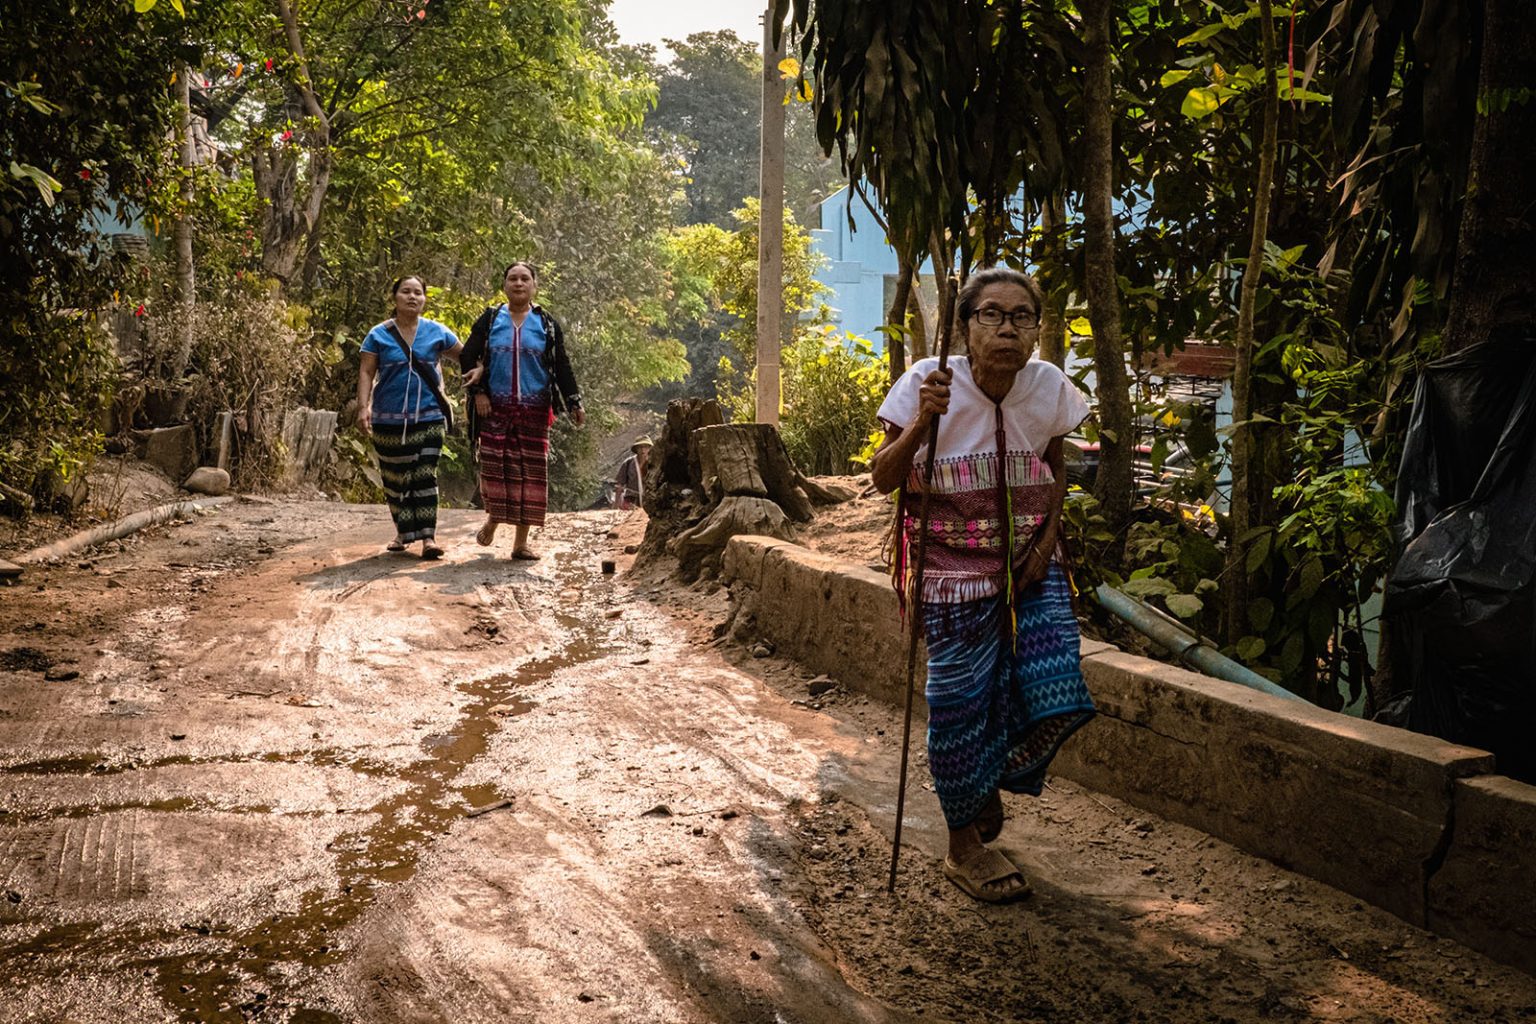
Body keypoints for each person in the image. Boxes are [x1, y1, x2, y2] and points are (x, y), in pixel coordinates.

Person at [870, 265, 1094, 904]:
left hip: (1030, 562)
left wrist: (1044, 547)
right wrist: (924, 421)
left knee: (1047, 682)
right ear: (964, 326)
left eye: (1021, 316)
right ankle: (963, 846)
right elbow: (883, 478)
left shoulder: (1047, 386)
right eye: (990, 314)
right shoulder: (927, 380)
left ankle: (986, 777)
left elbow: (1054, 470)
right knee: (961, 705)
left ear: (1036, 330)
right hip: (951, 567)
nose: (1006, 327)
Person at [459, 261, 584, 559]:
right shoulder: (490, 319)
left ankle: (520, 544)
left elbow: (561, 365)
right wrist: (478, 393)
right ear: (504, 285)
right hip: (494, 409)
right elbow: (467, 355)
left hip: (535, 411)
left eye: (524, 279)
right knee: (494, 472)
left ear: (533, 286)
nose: (518, 283)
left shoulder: (547, 324)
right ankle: (494, 518)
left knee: (531, 476)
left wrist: (574, 402)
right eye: (512, 278)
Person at [357, 275, 463, 559]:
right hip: (387, 419)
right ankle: (403, 533)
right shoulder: (377, 335)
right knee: (395, 478)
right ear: (395, 298)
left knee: (424, 474)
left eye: (418, 292)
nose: (412, 297)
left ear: (425, 299)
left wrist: (477, 377)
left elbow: (467, 357)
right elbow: (367, 371)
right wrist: (362, 407)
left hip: (429, 416)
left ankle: (428, 538)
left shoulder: (438, 332)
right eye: (406, 292)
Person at [615, 436, 652, 511]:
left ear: (649, 449)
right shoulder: (628, 463)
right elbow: (619, 484)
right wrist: (616, 504)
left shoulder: (654, 462)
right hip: (631, 501)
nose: (643, 450)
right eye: (640, 447)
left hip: (650, 501)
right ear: (636, 449)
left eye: (645, 447)